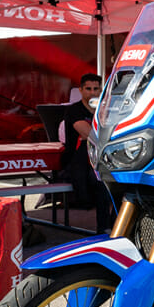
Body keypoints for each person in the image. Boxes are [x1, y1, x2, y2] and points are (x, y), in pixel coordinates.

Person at [62, 73, 114, 233]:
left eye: (96, 89)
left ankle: (114, 224)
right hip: (78, 162)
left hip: (102, 157)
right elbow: (89, 135)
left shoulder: (106, 109)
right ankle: (103, 227)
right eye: (88, 89)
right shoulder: (74, 110)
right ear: (81, 90)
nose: (92, 92)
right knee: (100, 180)